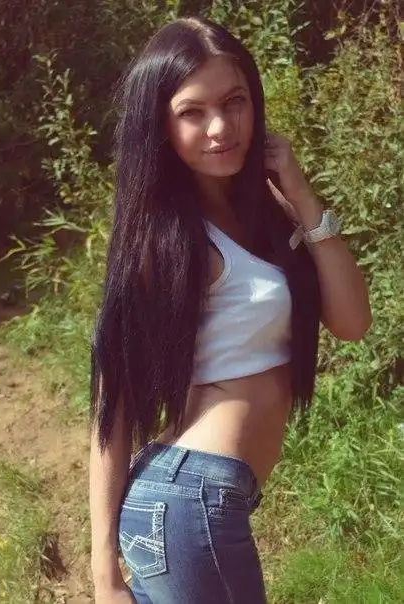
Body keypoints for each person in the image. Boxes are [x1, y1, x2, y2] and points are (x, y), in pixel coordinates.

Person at [88, 16, 371, 604]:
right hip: (188, 499)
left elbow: (351, 323)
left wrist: (300, 193)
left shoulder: (269, 213)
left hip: (202, 499)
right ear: (161, 126)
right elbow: (113, 404)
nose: (220, 127)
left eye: (234, 101)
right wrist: (103, 574)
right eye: (193, 112)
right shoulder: (165, 241)